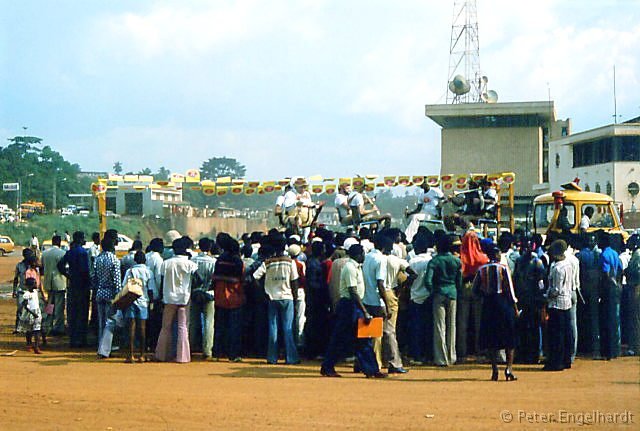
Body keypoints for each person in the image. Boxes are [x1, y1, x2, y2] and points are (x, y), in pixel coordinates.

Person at [321, 245, 386, 378]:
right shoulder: (350, 268)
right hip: (350, 306)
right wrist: (365, 311)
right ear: (358, 254)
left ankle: (371, 369)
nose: (364, 256)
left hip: (353, 305)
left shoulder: (356, 267)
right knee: (342, 338)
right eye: (362, 253)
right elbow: (353, 291)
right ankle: (328, 366)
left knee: (362, 338)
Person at [473, 245, 519, 381]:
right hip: (503, 304)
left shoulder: (481, 270)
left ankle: (494, 370)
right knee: (510, 337)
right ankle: (508, 368)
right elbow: (510, 290)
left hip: (488, 305)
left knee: (491, 338)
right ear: (497, 256)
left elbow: (475, 290)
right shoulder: (504, 268)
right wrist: (515, 307)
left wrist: (484, 295)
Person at [253, 234, 300, 365]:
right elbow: (294, 281)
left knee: (273, 328)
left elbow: (255, 277)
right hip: (287, 297)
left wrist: (263, 292)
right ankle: (291, 357)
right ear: (284, 246)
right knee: (287, 328)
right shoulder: (290, 262)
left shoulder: (267, 262)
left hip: (272, 297)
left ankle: (272, 357)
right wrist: (295, 298)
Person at [155, 237, 199, 363]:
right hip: (184, 297)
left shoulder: (166, 263)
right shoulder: (191, 264)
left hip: (169, 297)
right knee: (183, 327)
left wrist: (161, 295)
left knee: (166, 327)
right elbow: (198, 279)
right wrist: (189, 286)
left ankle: (162, 354)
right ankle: (183, 356)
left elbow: (162, 280)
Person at [425, 234, 462, 367]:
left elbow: (428, 281)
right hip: (452, 293)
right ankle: (452, 356)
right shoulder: (456, 261)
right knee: (452, 325)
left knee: (439, 326)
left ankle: (441, 358)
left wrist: (433, 291)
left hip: (438, 293)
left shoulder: (434, 261)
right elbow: (459, 281)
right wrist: (456, 290)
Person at [457, 230, 489, 361]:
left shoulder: (461, 257)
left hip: (464, 287)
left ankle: (461, 351)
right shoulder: (483, 258)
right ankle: (479, 350)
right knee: (478, 321)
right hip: (478, 289)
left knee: (462, 321)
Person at [212, 237, 245, 362]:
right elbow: (241, 278)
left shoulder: (219, 260)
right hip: (234, 297)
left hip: (220, 296)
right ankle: (233, 354)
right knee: (234, 328)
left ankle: (217, 353)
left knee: (220, 326)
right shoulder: (237, 261)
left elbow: (215, 277)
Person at [544, 240, 574, 371]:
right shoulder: (568, 264)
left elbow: (555, 289)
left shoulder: (557, 268)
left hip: (556, 304)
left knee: (556, 335)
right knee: (566, 333)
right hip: (567, 301)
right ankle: (566, 360)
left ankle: (556, 362)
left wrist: (546, 296)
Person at [59, 231, 91, 348]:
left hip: (72, 285)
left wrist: (68, 275)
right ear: (80, 239)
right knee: (82, 313)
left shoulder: (70, 252)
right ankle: (82, 340)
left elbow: (60, 265)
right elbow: (85, 271)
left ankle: (73, 340)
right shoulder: (83, 253)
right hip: (82, 286)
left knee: (73, 313)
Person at [122, 251, 154, 363]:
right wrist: (152, 302)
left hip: (131, 301)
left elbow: (124, 286)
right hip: (143, 302)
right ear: (144, 260)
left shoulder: (130, 271)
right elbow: (151, 289)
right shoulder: (148, 272)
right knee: (142, 328)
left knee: (131, 327)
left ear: (135, 260)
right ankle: (142, 354)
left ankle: (130, 355)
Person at [407, 236, 434, 365]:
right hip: (429, 296)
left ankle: (416, 356)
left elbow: (409, 279)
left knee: (415, 329)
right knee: (429, 328)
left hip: (415, 296)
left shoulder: (412, 262)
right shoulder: (431, 261)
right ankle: (428, 354)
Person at [95, 237, 122, 358]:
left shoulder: (98, 259)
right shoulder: (114, 260)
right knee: (110, 322)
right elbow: (117, 281)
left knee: (101, 322)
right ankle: (105, 350)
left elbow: (93, 276)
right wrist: (118, 296)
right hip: (110, 293)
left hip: (99, 292)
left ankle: (101, 346)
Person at [189, 238, 216, 358]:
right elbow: (214, 279)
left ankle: (189, 347)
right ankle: (207, 351)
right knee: (209, 323)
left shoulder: (192, 260)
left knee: (192, 322)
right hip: (209, 294)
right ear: (210, 247)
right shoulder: (213, 262)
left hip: (194, 293)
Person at [598, 234, 623, 360]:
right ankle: (615, 350)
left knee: (606, 320)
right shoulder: (615, 253)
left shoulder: (603, 255)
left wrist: (610, 285)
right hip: (616, 289)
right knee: (615, 319)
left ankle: (607, 352)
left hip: (607, 290)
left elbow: (606, 274)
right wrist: (618, 283)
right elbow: (620, 269)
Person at [42, 235, 67, 336]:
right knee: (59, 307)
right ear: (59, 242)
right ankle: (58, 327)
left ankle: (47, 325)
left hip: (48, 282)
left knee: (50, 305)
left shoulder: (45, 253)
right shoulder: (62, 253)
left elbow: (43, 267)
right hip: (59, 282)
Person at [145, 238, 164, 352]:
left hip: (144, 292)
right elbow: (158, 278)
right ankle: (153, 344)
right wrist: (160, 294)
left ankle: (145, 342)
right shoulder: (158, 259)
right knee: (155, 321)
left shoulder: (146, 256)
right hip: (155, 294)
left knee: (146, 320)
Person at [18, 278, 44, 354]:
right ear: (29, 286)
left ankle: (36, 346)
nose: (36, 284)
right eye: (34, 283)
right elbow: (25, 305)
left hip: (37, 312)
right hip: (31, 313)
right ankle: (29, 344)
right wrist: (33, 313)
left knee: (37, 330)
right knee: (29, 330)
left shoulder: (35, 292)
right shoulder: (27, 294)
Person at [624, 235, 640, 355]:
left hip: (636, 287)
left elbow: (634, 271)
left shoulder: (637, 254)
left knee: (635, 319)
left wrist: (627, 271)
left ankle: (636, 346)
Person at [13, 248, 34, 333]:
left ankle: (29, 328)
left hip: (31, 291)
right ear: (24, 256)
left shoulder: (33, 266)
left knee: (31, 309)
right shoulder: (19, 265)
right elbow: (16, 278)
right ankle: (18, 328)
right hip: (22, 290)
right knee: (20, 309)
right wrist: (14, 290)